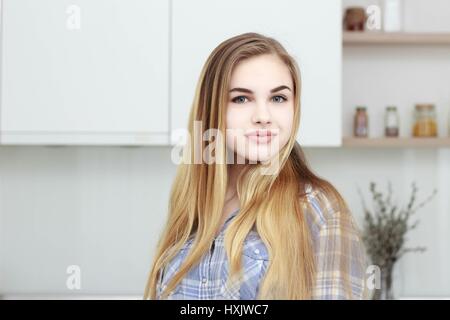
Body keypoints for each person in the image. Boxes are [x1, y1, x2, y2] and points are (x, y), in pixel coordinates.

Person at [144, 32, 369, 300]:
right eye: (241, 98)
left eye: (278, 98)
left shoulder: (318, 209)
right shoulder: (193, 206)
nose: (263, 116)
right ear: (212, 108)